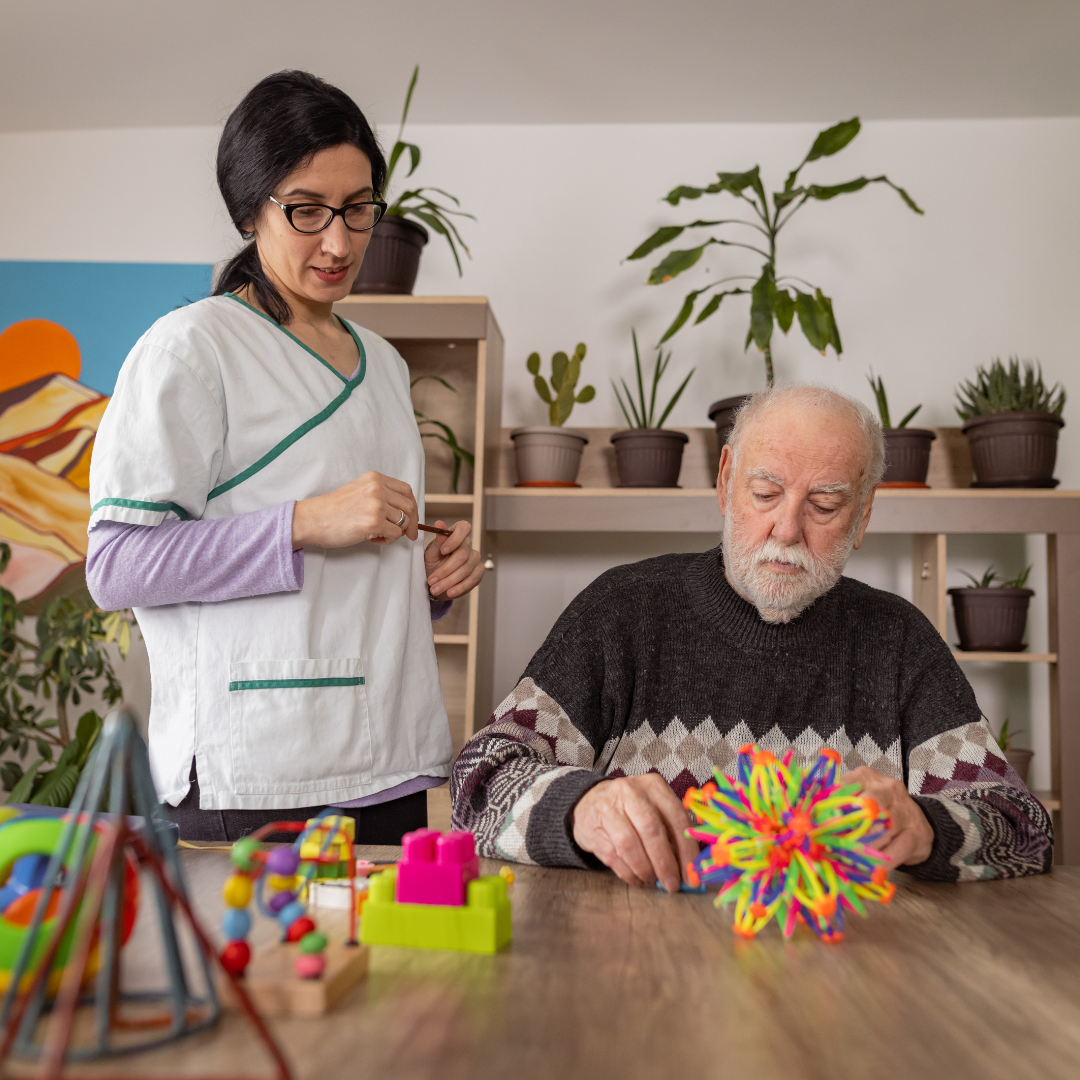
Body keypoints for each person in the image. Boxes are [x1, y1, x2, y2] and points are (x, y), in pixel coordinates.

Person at [87, 71, 483, 843]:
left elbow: (361, 568)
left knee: (385, 968)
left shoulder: (385, 364)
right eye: (306, 210)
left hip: (390, 758)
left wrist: (431, 579)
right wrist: (302, 522)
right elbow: (118, 566)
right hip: (260, 766)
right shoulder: (194, 347)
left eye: (359, 208)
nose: (340, 242)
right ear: (248, 212)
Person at [451, 386, 1053, 889]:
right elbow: (479, 779)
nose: (786, 530)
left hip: (842, 980)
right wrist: (578, 809)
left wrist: (925, 828)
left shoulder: (898, 641)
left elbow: (1023, 829)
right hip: (639, 972)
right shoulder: (620, 612)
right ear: (724, 482)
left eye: (825, 504)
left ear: (864, 516)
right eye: (765, 494)